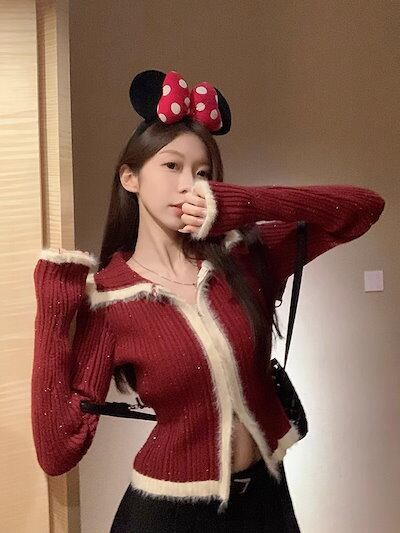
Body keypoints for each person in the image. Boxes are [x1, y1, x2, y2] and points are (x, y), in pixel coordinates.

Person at [31, 70, 385, 532]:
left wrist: (245, 203)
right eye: (171, 166)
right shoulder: (110, 298)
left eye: (203, 173)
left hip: (265, 499)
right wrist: (53, 316)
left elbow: (362, 209)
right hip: (168, 515)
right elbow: (58, 451)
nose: (190, 184)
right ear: (130, 177)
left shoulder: (246, 257)